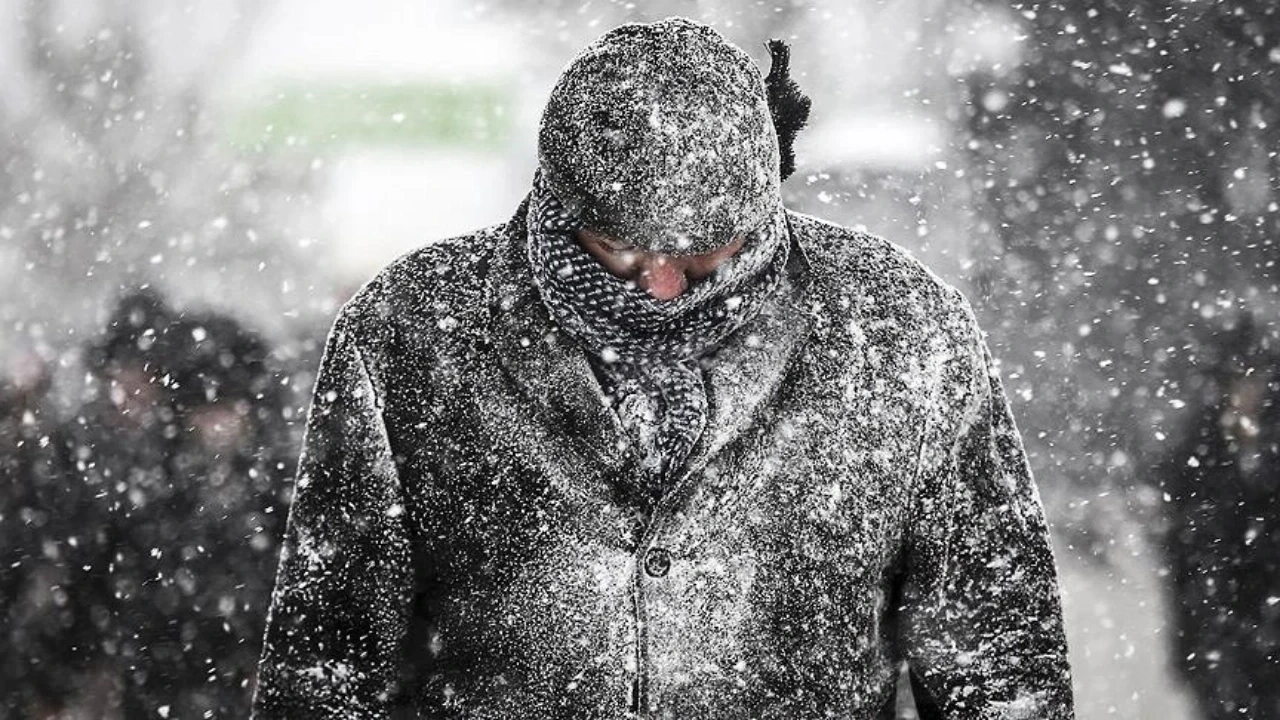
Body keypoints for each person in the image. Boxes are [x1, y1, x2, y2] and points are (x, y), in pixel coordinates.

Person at [254, 17, 1075, 719]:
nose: (662, 285)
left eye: (704, 253)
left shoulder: (901, 331)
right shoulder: (411, 331)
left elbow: (998, 658)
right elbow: (328, 658)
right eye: (617, 249)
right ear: (557, 201)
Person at [1157, 313, 1280, 720]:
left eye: (1256, 379)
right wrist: (1185, 643)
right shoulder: (1197, 454)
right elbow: (1181, 557)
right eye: (1239, 379)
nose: (1249, 391)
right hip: (1218, 636)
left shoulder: (1266, 446)